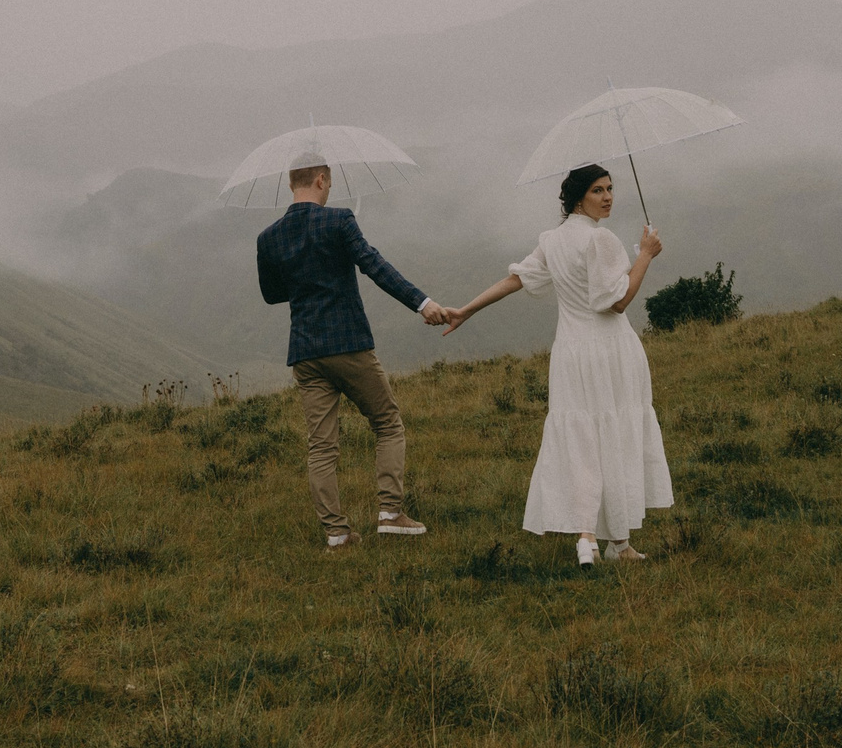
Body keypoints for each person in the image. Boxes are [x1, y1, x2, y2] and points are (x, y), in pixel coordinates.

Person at [447, 163, 671, 567]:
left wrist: (466, 309)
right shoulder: (600, 240)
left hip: (570, 354)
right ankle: (610, 542)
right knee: (612, 437)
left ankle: (603, 540)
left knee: (585, 441)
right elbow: (617, 301)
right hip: (608, 350)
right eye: (598, 191)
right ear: (579, 197)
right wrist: (646, 255)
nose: (607, 197)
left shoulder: (552, 240)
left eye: (610, 189)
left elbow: (516, 280)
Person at [255, 155, 455, 548]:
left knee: (322, 445)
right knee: (387, 422)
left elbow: (271, 294)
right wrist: (422, 303)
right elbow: (374, 266)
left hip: (305, 352)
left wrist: (305, 276)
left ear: (290, 185)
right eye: (328, 183)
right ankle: (390, 512)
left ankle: (337, 533)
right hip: (348, 344)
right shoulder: (340, 220)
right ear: (322, 179)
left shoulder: (268, 237)